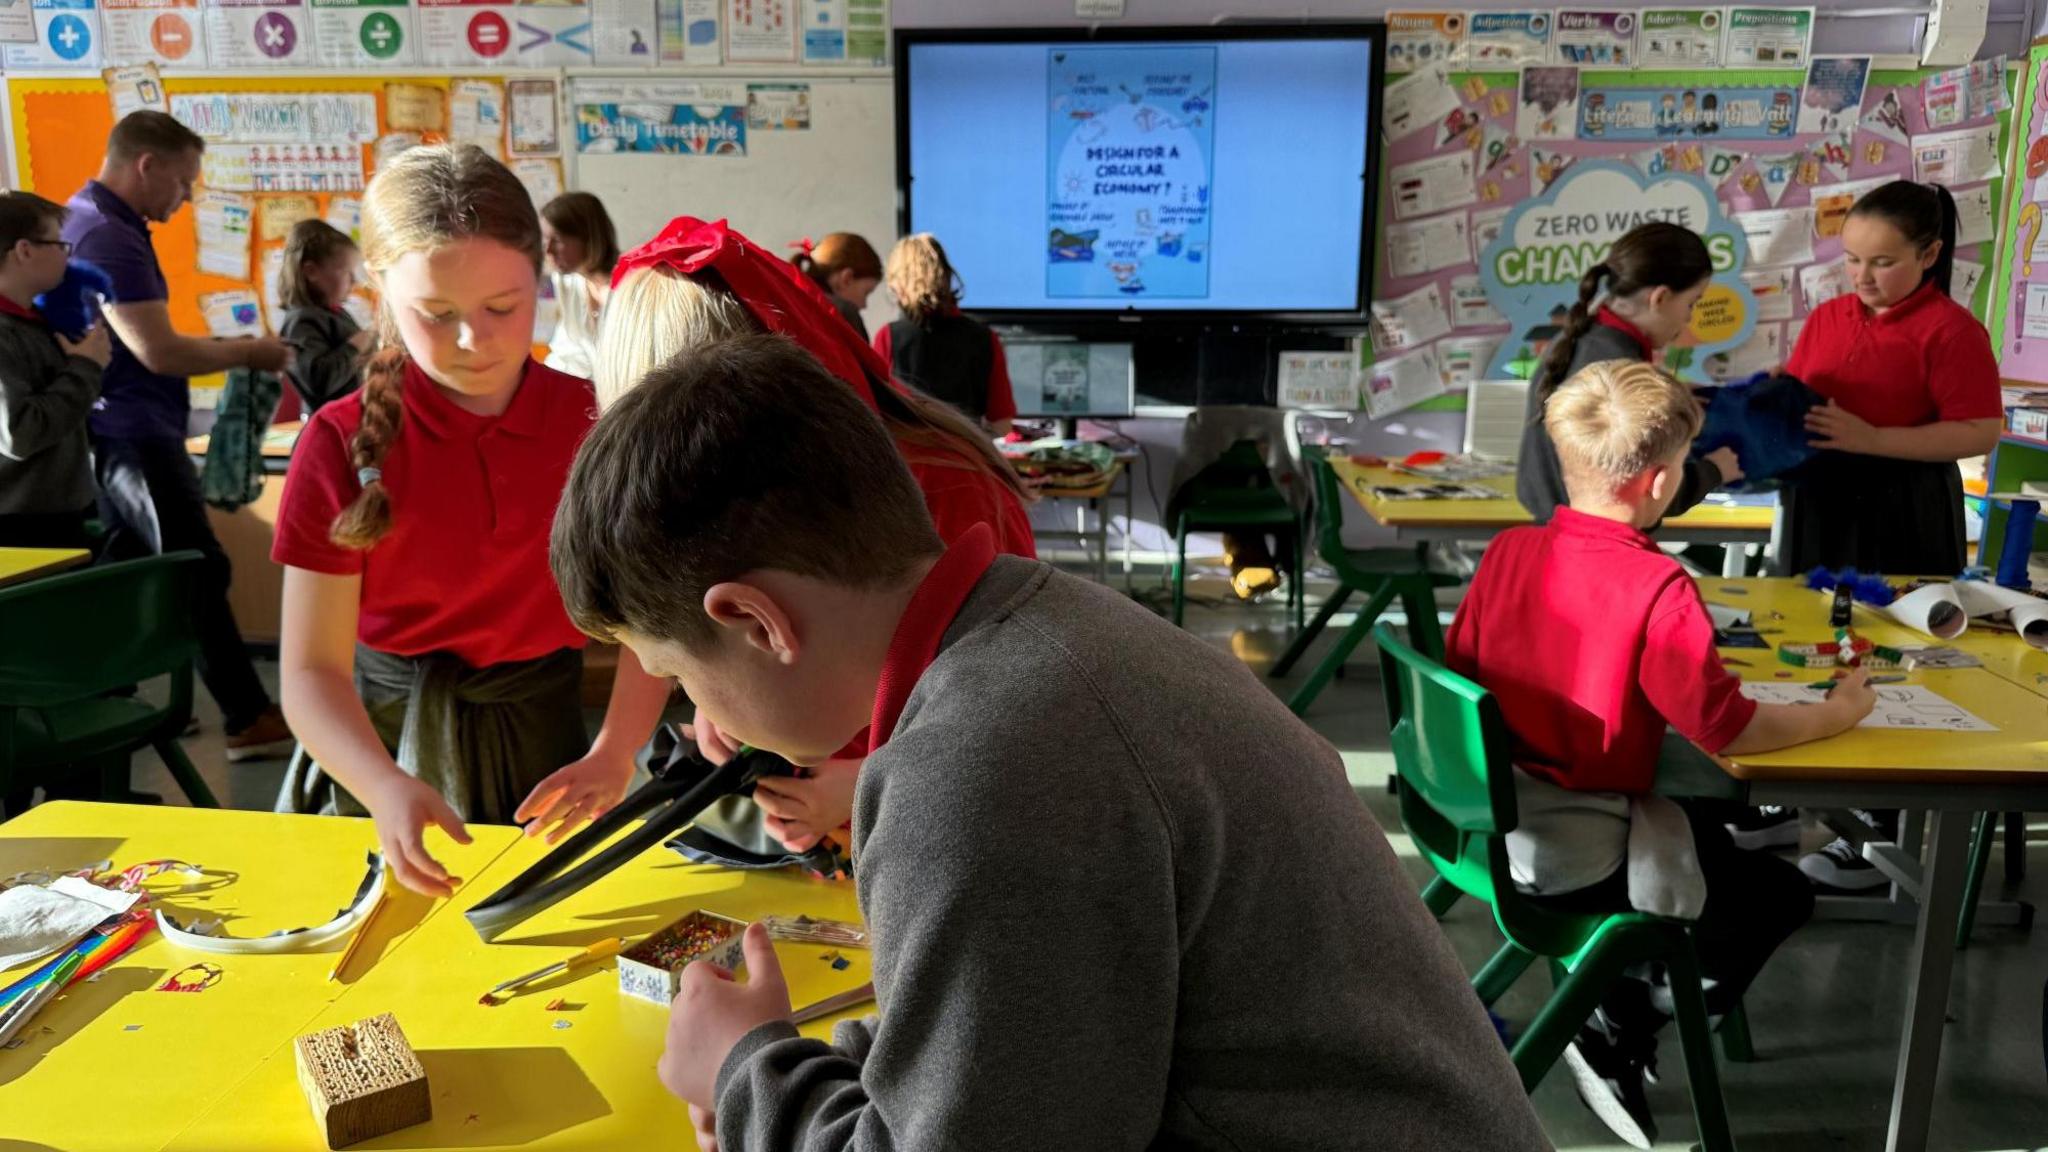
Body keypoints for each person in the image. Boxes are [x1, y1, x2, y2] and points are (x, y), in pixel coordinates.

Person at [551, 332, 1551, 1152]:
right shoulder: (1043, 636)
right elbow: (1018, 1042)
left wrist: (747, 1076)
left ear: (756, 622)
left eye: (679, 676)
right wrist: (828, 1067)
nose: (701, 723)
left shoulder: (983, 764)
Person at [1448, 360, 1869, 1149]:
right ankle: (1624, 1013)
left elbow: (1469, 673)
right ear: (1662, 479)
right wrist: (1834, 712)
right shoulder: (1659, 585)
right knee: (1780, 894)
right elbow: (1730, 732)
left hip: (1495, 825)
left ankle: (1619, 1003)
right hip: (1578, 851)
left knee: (1716, 839)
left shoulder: (1505, 551)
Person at [539, 215, 1036, 862]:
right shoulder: (738, 506)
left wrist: (863, 781)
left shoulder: (947, 493)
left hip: (936, 829)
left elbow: (998, 728)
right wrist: (730, 698)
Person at [271, 146, 672, 898]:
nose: (473, 341)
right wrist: (383, 785)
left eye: (502, 308)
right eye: (437, 315)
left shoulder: (593, 424)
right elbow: (310, 673)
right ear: (382, 294)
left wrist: (618, 749)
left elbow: (652, 622)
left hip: (547, 744)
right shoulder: (338, 442)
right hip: (377, 747)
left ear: (541, 284)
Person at [1780, 180, 2003, 891]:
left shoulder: (1951, 330)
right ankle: (1789, 792)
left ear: (1931, 253)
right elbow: (1802, 392)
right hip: (1822, 503)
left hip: (1900, 509)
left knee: (1885, 658)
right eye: (1851, 260)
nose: (1863, 278)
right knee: (1803, 642)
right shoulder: (1829, 316)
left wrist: (1873, 437)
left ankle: (1880, 832)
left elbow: (1979, 431)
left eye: (1882, 262)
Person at [67, 110, 295, 760]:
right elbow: (159, 352)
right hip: (132, 434)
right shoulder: (106, 235)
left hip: (120, 430)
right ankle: (246, 716)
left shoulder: (96, 221)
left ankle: (112, 703)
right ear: (148, 165)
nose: (189, 195)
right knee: (194, 569)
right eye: (185, 180)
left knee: (132, 573)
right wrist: (251, 353)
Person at [1517, 221, 1742, 525]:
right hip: (1601, 548)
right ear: (1660, 298)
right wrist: (1716, 469)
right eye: (1692, 303)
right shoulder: (1619, 369)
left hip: (1559, 536)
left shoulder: (1583, 338)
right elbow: (1649, 491)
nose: (1688, 318)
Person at [0, 191, 111, 550]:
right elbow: (19, 433)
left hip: (51, 515)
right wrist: (85, 367)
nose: (68, 255)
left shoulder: (33, 321)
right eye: (59, 244)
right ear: (25, 250)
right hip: (20, 529)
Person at [876, 233, 1018, 437]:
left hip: (909, 463)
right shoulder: (984, 338)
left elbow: (874, 411)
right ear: (947, 276)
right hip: (965, 462)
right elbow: (1002, 424)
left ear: (899, 284)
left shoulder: (888, 337)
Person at [277, 219, 368, 416]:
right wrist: (357, 345)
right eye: (346, 272)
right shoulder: (301, 321)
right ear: (311, 272)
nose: (354, 280)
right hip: (329, 426)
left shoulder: (337, 313)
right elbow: (319, 381)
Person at [539, 191, 620, 379]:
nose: (548, 250)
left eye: (557, 240)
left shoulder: (629, 286)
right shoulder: (569, 282)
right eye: (545, 239)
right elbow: (570, 352)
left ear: (588, 237)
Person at [788, 232, 882, 340]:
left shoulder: (792, 299)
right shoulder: (843, 312)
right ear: (847, 278)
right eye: (866, 293)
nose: (864, 305)